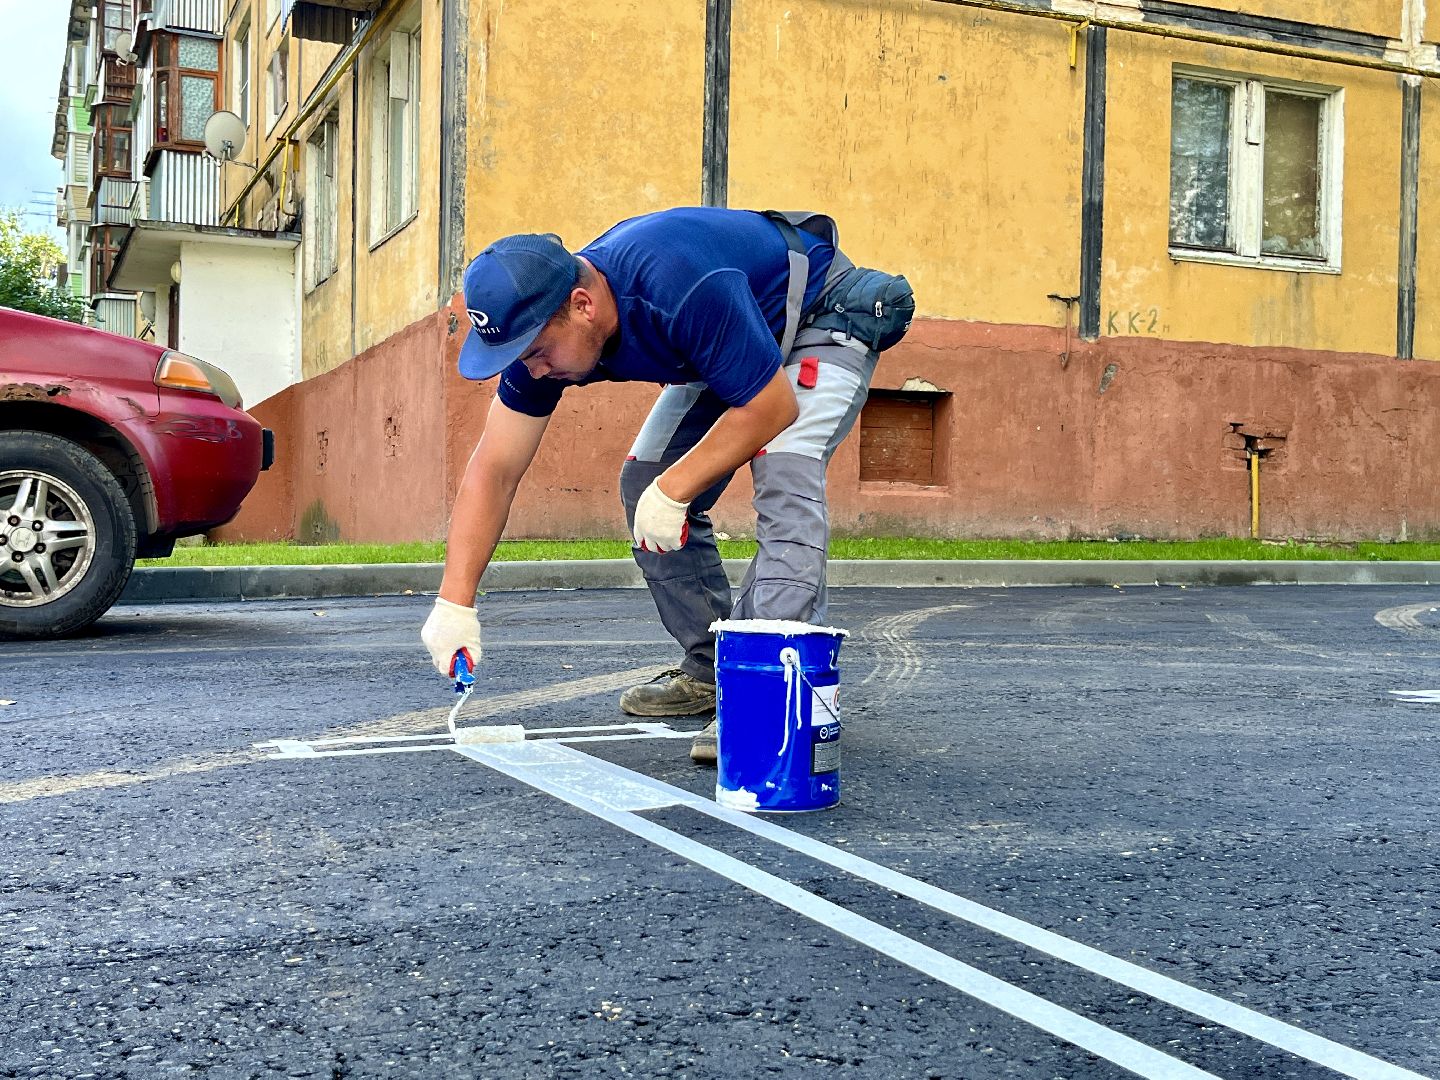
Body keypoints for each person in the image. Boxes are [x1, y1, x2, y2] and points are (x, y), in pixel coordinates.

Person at [420, 206, 912, 765]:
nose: (531, 371)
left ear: (583, 306)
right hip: (737, 334)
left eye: (535, 353)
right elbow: (495, 467)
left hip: (824, 310)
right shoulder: (540, 331)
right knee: (646, 479)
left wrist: (676, 490)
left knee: (785, 470)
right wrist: (454, 603)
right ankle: (710, 669)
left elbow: (772, 406)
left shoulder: (677, 284)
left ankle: (766, 697)